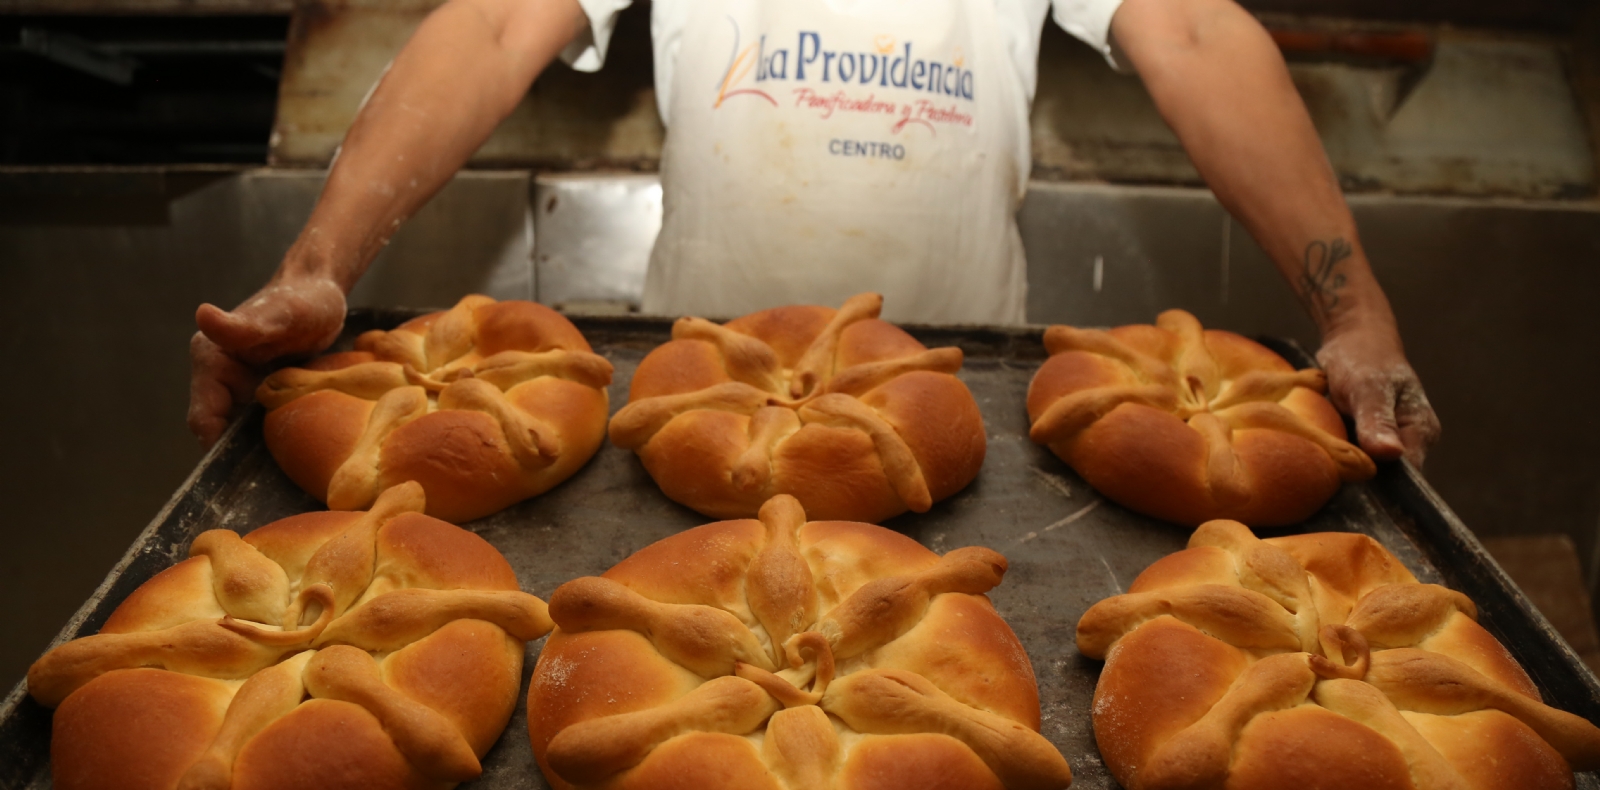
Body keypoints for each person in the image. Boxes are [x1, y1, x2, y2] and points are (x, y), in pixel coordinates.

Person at [188, 0, 1441, 467]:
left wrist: (1352, 311)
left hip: (964, 410)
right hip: (696, 409)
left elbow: (1197, 35)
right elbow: (493, 24)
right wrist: (319, 268)